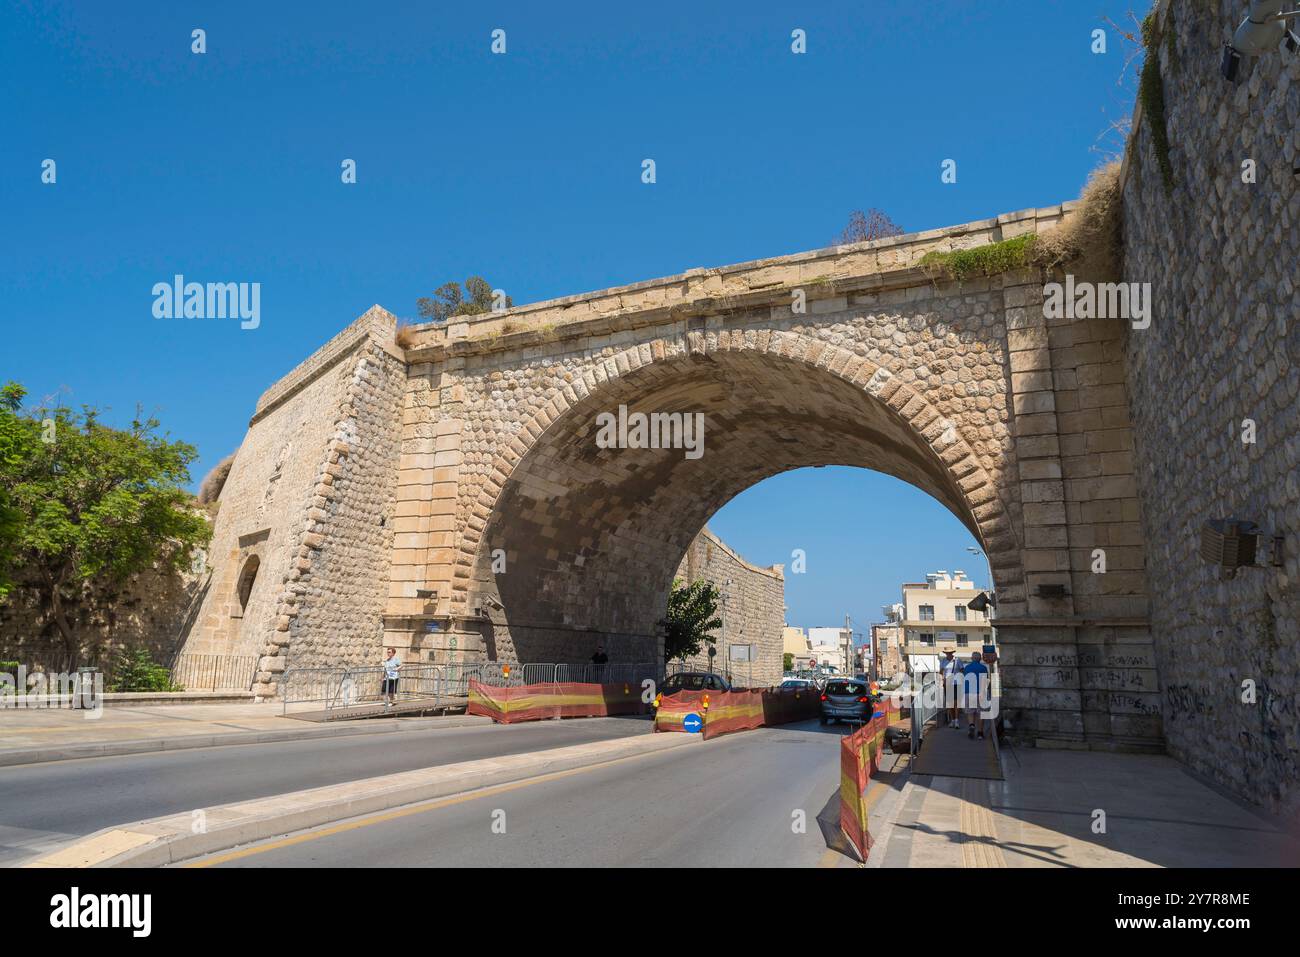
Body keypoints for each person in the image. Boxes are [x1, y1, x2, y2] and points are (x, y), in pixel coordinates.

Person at [962, 650, 990, 740]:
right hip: (980, 693)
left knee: (970, 712)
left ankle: (972, 725)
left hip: (968, 693)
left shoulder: (966, 668)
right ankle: (980, 733)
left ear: (971, 658)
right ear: (980, 658)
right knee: (980, 713)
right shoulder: (983, 668)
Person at [939, 649, 963, 728]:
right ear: (945, 653)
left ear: (952, 653)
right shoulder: (943, 661)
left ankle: (957, 721)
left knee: (956, 703)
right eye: (947, 653)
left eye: (949, 653)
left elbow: (962, 670)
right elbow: (941, 671)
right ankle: (952, 720)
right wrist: (943, 679)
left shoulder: (957, 660)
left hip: (957, 683)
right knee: (950, 703)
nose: (948, 654)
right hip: (947, 684)